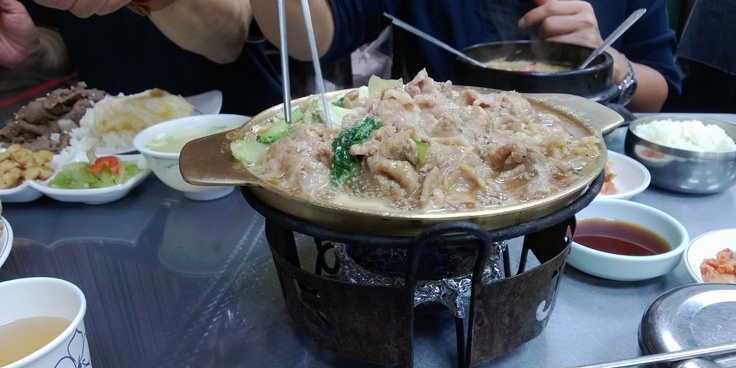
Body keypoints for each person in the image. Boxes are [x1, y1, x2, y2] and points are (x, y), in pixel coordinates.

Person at [251, 0, 681, 112]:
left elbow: (661, 87)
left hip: (599, 187)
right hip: (443, 182)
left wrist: (612, 63)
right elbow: (313, 35)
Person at [0, 0, 283, 116]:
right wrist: (36, 52)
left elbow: (227, 38)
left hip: (236, 128)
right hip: (113, 148)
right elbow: (64, 39)